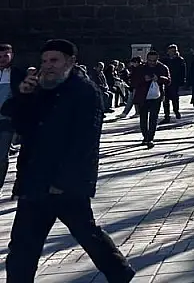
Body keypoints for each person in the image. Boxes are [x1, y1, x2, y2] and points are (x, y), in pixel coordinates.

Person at [2, 39, 135, 282]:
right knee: (22, 246)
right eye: (44, 61)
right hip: (34, 181)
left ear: (71, 61)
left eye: (54, 60)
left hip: (66, 185)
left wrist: (63, 182)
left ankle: (120, 273)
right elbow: (19, 124)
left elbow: (85, 142)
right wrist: (24, 95)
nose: (48, 65)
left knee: (88, 235)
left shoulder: (85, 92)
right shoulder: (40, 89)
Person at [131, 50, 170, 148]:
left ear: (157, 59)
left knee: (153, 117)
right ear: (147, 59)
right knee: (143, 117)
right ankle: (145, 136)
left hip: (156, 96)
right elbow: (133, 81)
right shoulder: (141, 68)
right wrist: (143, 79)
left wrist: (159, 79)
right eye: (150, 60)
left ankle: (150, 138)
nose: (152, 62)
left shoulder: (162, 67)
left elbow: (168, 81)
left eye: (154, 60)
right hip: (143, 96)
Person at [0, 43, 20, 191]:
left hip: (6, 121)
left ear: (11, 55)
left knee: (1, 155)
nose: (2, 59)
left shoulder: (17, 74)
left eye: (5, 56)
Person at [159, 44, 186, 122]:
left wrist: (182, 80)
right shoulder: (165, 60)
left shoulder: (180, 60)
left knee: (175, 98)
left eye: (173, 51)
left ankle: (176, 111)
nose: (171, 52)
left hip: (175, 81)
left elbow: (183, 71)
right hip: (166, 81)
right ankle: (167, 115)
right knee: (165, 99)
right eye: (170, 51)